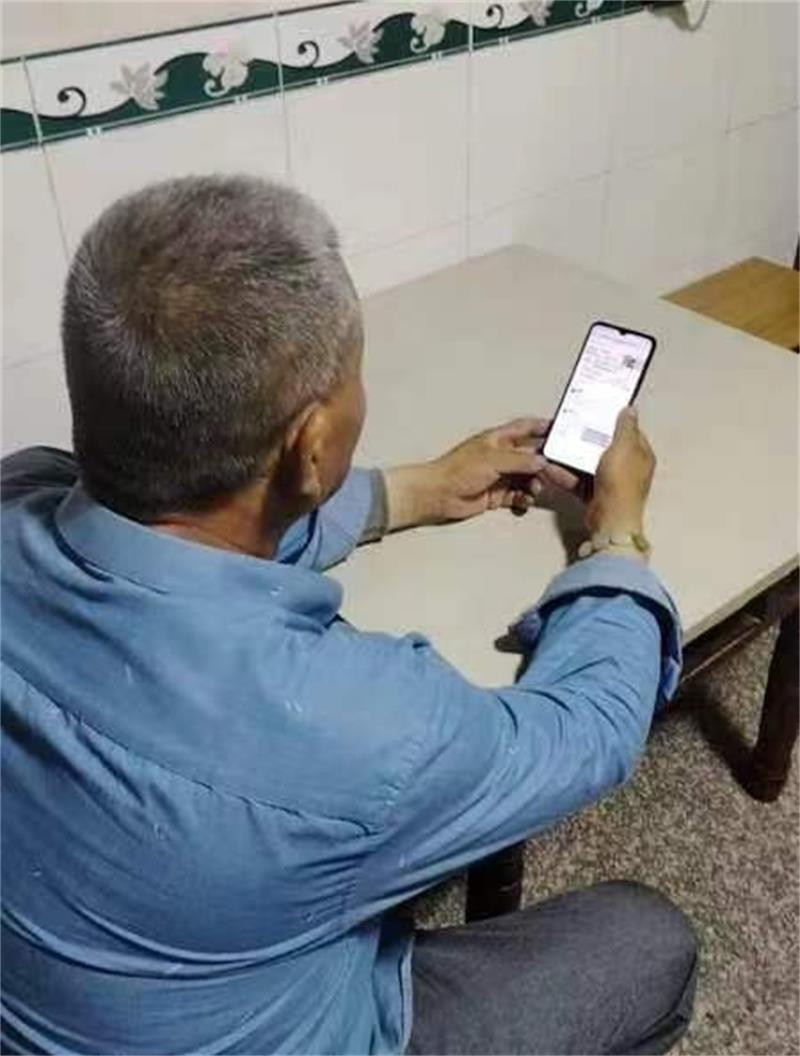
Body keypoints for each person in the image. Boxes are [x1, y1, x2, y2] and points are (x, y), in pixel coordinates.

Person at [1, 175, 696, 1056]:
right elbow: (586, 733)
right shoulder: (358, 724)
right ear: (313, 444)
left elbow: (183, 517)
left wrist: (412, 492)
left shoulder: (19, 491)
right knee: (649, 944)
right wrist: (618, 534)